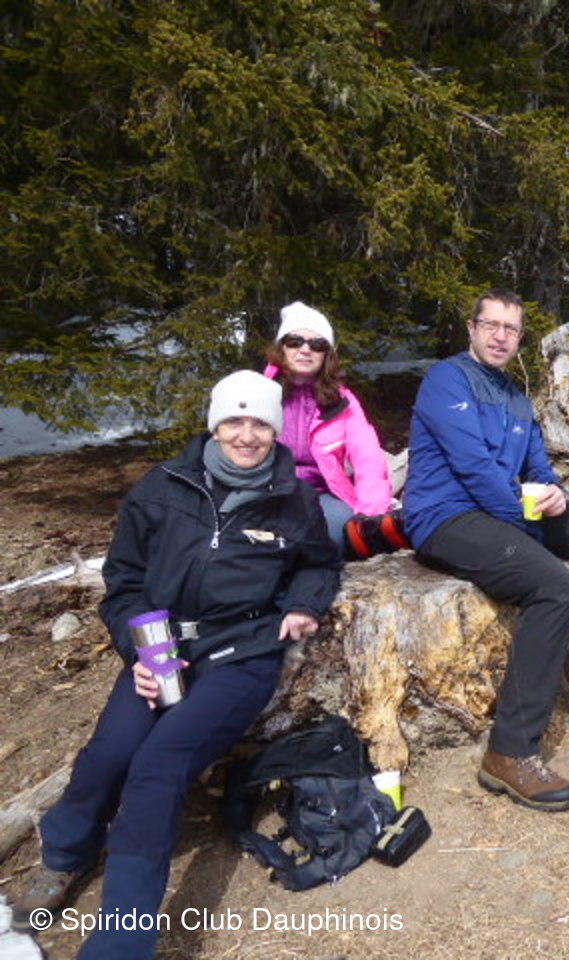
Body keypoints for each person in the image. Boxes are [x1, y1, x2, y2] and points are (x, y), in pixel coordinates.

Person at [13, 371, 341, 959]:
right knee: (108, 756)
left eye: (260, 423)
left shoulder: (294, 498)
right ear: (215, 425)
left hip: (241, 652)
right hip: (160, 646)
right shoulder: (162, 487)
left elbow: (318, 563)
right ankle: (66, 855)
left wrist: (302, 605)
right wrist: (137, 649)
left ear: (275, 430)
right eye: (234, 421)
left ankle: (120, 944)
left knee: (158, 766)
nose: (247, 435)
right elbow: (123, 582)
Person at [402, 288, 569, 813]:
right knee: (554, 586)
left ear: (519, 338)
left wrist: (552, 490)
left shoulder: (515, 396)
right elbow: (472, 467)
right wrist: (526, 522)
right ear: (471, 329)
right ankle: (510, 752)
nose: (500, 337)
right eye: (490, 325)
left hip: (509, 512)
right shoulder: (447, 379)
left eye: (510, 329)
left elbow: (537, 463)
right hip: (446, 518)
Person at [265, 300, 398, 554]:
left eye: (317, 344)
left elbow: (368, 458)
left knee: (340, 537)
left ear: (327, 354)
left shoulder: (341, 401)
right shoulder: (260, 392)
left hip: (323, 495)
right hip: (269, 494)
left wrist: (372, 514)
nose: (306, 350)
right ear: (281, 347)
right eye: (295, 341)